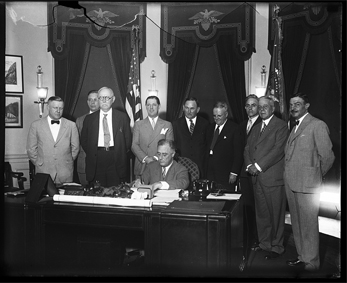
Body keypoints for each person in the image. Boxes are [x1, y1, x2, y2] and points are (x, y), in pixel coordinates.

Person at [284, 92, 335, 272]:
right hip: (292, 183)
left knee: (309, 225)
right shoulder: (294, 125)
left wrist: (315, 176)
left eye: (297, 104)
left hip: (308, 186)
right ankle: (302, 257)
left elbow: (328, 157)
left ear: (307, 105)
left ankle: (312, 263)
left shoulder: (317, 125)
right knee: (297, 224)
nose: (293, 107)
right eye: (291, 104)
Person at [243, 96, 289, 260]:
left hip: (272, 178)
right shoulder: (256, 128)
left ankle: (277, 247)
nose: (261, 109)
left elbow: (278, 151)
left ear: (272, 108)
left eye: (265, 107)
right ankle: (265, 244)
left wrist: (258, 166)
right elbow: (247, 148)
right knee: (262, 214)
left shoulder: (281, 126)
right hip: (257, 178)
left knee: (275, 214)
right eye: (259, 107)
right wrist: (249, 166)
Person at [81, 86, 132, 187]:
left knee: (116, 193)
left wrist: (117, 152)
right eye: (101, 98)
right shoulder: (89, 119)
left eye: (107, 98)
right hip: (96, 160)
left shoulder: (122, 117)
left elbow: (127, 141)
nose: (104, 101)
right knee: (96, 194)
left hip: (116, 159)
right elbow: (84, 141)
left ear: (113, 99)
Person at [26, 96, 79, 184]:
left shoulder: (71, 125)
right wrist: (40, 163)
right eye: (55, 108)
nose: (58, 111)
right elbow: (31, 149)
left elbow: (75, 148)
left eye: (61, 108)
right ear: (48, 107)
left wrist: (67, 160)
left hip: (65, 172)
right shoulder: (36, 125)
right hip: (43, 172)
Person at [238, 94, 262, 249]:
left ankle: (259, 239)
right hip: (244, 172)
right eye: (248, 105)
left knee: (259, 207)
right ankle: (250, 237)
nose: (250, 108)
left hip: (259, 172)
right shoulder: (241, 125)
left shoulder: (264, 124)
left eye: (254, 105)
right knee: (247, 207)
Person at [131, 96, 174, 178]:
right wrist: (146, 158)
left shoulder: (167, 124)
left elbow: (169, 146)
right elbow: (134, 145)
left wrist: (155, 158)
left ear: (159, 106)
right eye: (148, 105)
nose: (151, 107)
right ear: (145, 107)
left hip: (160, 164)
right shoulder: (138, 124)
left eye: (154, 105)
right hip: (142, 165)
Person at [205, 101, 243, 190]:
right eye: (214, 116)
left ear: (226, 114)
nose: (216, 118)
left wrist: (234, 172)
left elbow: (238, 153)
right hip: (210, 172)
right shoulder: (210, 128)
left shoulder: (234, 129)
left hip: (226, 172)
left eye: (219, 116)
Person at [172, 97, 209, 177]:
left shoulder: (205, 124)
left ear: (198, 109)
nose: (189, 111)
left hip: (200, 168)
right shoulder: (175, 124)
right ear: (183, 108)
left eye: (192, 108)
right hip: (182, 167)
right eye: (186, 108)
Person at [75, 90, 100, 185]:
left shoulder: (107, 119)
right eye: (90, 100)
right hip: (84, 165)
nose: (92, 102)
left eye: (95, 99)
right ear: (87, 102)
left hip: (102, 166)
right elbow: (75, 144)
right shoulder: (80, 120)